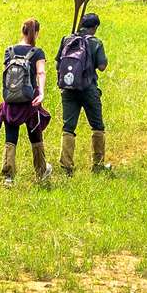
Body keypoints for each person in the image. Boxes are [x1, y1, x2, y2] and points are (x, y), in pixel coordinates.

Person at [0, 19, 50, 186]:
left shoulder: (9, 51)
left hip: (11, 100)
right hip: (30, 101)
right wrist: (41, 92)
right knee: (35, 136)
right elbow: (41, 72)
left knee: (10, 137)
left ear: (22, 31)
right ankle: (41, 172)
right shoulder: (37, 52)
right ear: (36, 33)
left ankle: (8, 177)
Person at [57, 12, 112, 174]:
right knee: (97, 126)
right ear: (94, 27)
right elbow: (102, 66)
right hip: (88, 89)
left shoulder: (67, 39)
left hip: (68, 89)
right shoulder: (96, 42)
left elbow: (58, 64)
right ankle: (98, 165)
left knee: (68, 127)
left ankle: (66, 166)